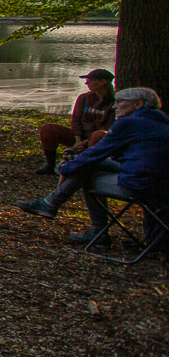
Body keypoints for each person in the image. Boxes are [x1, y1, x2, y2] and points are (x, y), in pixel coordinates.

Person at [17, 87, 169, 246]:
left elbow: (96, 153)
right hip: (162, 186)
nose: (114, 107)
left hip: (143, 185)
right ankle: (49, 204)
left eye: (119, 102)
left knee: (88, 174)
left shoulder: (129, 123)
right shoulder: (161, 122)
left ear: (138, 104)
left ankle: (98, 232)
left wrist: (66, 169)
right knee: (88, 164)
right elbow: (128, 155)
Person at [33, 69, 115, 174]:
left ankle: (88, 163)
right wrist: (78, 141)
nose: (86, 83)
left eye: (90, 80)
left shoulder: (115, 101)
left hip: (100, 140)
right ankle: (50, 164)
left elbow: (110, 126)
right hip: (81, 137)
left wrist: (86, 143)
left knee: (98, 136)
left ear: (103, 82)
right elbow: (76, 121)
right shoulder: (84, 98)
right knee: (48, 129)